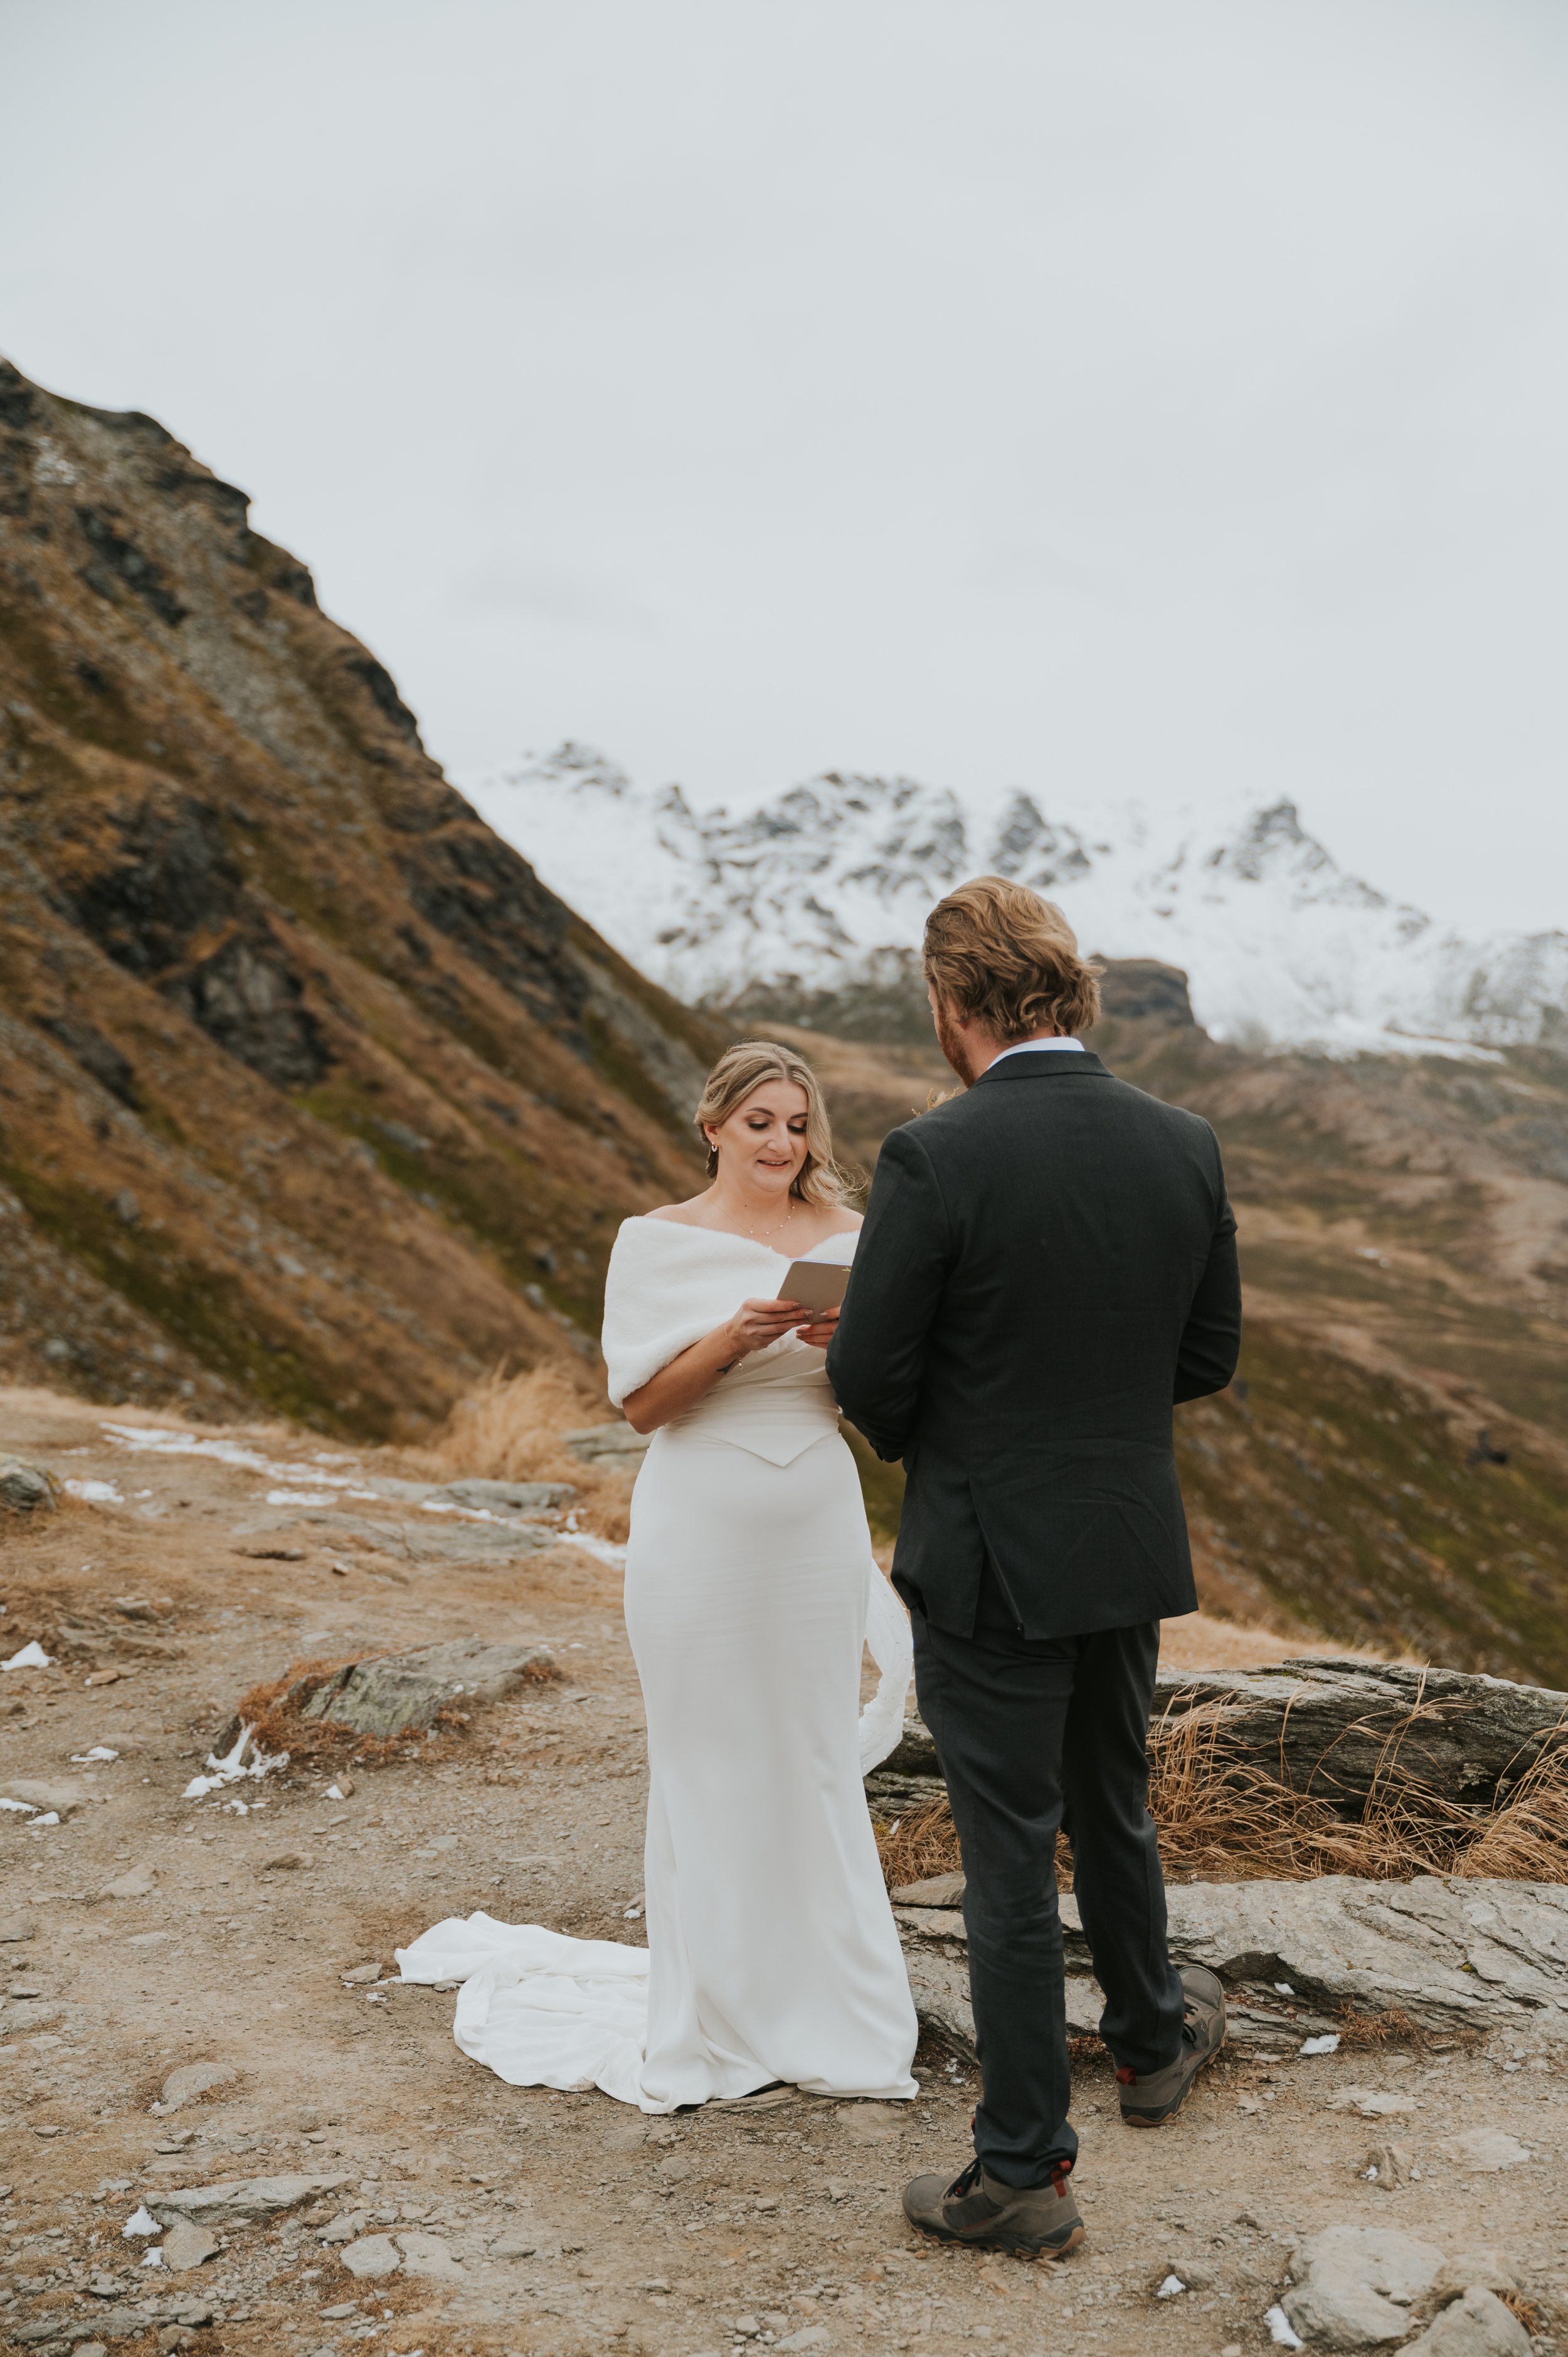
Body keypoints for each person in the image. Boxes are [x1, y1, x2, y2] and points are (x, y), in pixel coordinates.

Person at [827, 876, 1242, 2257]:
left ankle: (1018, 2171)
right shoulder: (1180, 1142)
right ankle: (1145, 2042)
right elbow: (1204, 1357)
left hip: (992, 1555)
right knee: (1111, 1802)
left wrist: (964, 1444)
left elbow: (868, 1374)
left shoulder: (934, 1155)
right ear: (1069, 993)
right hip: (1123, 1536)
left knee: (1007, 1861)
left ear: (952, 1007)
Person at [399, 1040, 918, 2112]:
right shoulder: (655, 1242)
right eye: (762, 1121)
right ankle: (716, 2011)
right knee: (708, 1752)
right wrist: (734, 1335)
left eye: (797, 1122)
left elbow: (883, 1395)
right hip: (699, 1519)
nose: (783, 1141)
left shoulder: (855, 1238)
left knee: (813, 1750)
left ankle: (836, 2008)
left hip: (816, 1508)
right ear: (714, 1127)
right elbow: (640, 1409)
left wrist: (845, 1333)